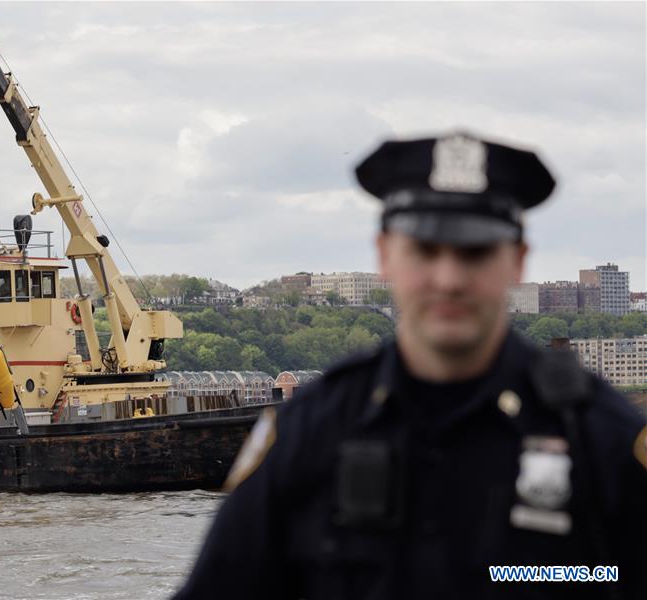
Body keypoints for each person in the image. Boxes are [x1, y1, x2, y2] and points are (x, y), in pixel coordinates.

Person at [174, 132, 647, 599]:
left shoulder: (601, 438)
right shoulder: (310, 435)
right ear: (384, 255)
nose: (449, 279)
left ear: (518, 261)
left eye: (475, 253)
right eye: (424, 250)